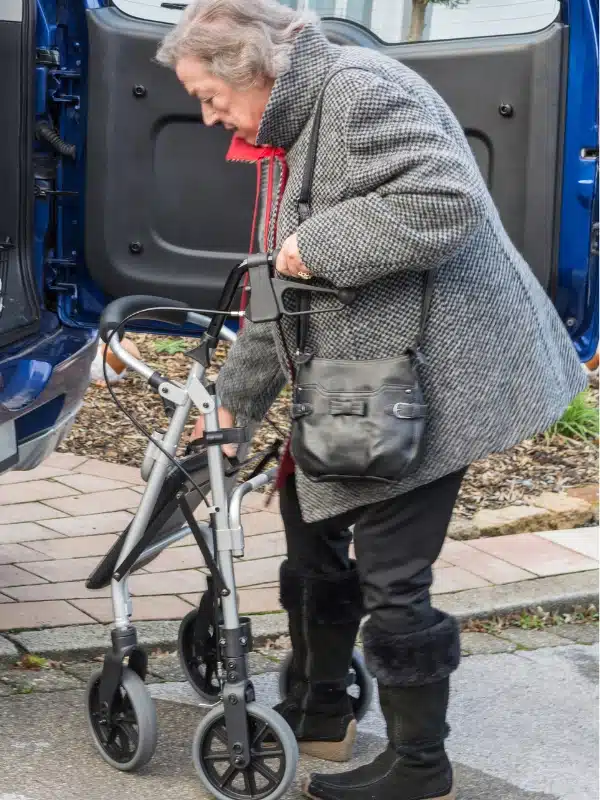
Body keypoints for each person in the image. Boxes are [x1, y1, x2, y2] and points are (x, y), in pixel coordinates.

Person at [156, 2, 587, 798]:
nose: (211, 117)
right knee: (308, 527)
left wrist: (317, 246)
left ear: (251, 66)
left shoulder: (358, 92)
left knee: (392, 570)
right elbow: (280, 288)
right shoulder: (303, 117)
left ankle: (421, 767)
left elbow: (444, 201)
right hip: (363, 374)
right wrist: (233, 406)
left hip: (438, 370)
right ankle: (323, 714)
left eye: (210, 95)